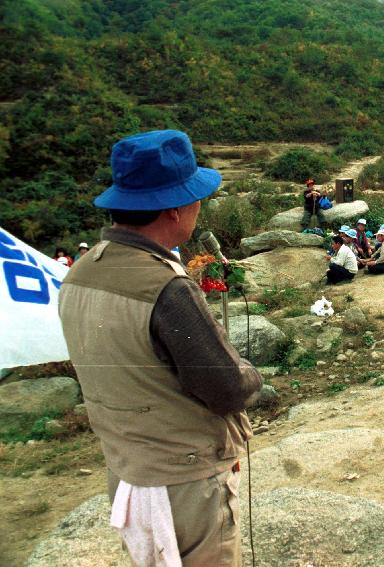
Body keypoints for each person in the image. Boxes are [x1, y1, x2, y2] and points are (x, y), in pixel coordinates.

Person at [58, 129, 262, 567]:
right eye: (196, 197)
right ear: (175, 206)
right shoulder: (165, 286)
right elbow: (227, 388)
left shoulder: (81, 272)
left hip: (128, 471)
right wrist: (250, 374)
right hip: (184, 480)